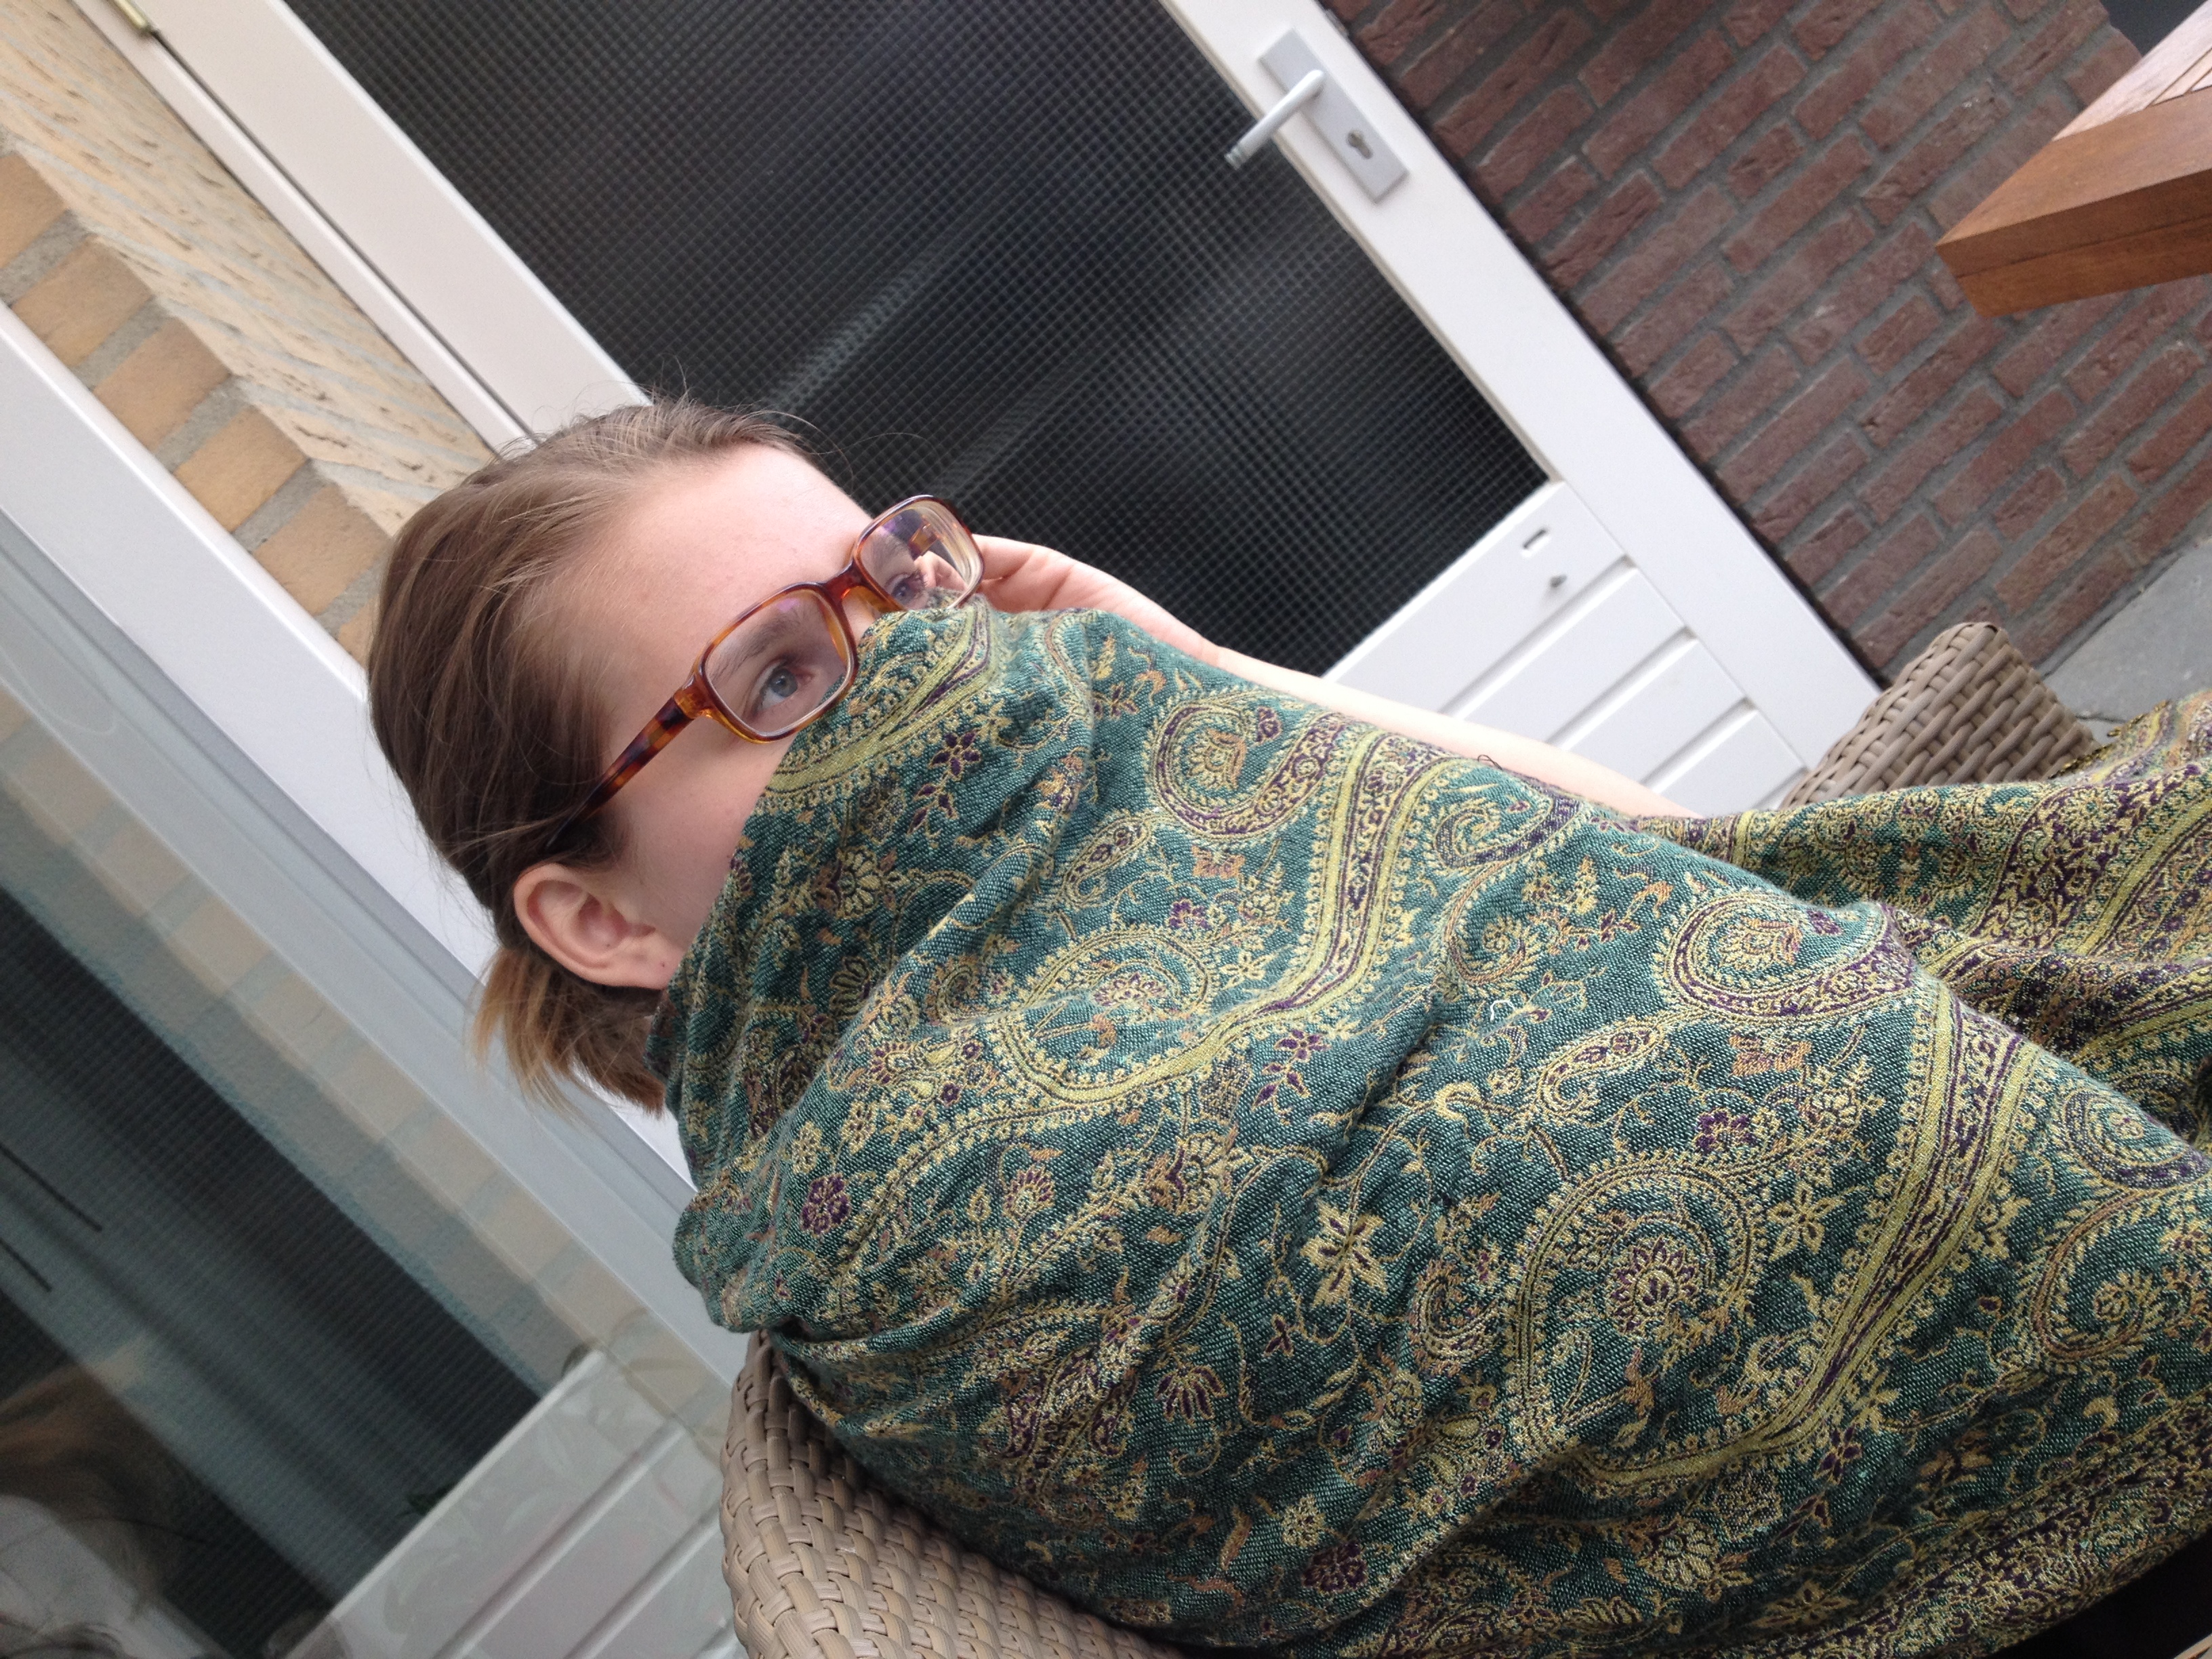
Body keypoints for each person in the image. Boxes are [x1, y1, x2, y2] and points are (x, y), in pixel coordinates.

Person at [369, 400, 2212, 1658]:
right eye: (783, 673)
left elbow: (1665, 868)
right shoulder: (922, 1238)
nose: (924, 663)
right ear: (602, 919)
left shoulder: (1154, 845)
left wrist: (1193, 678)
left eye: (902, 575)